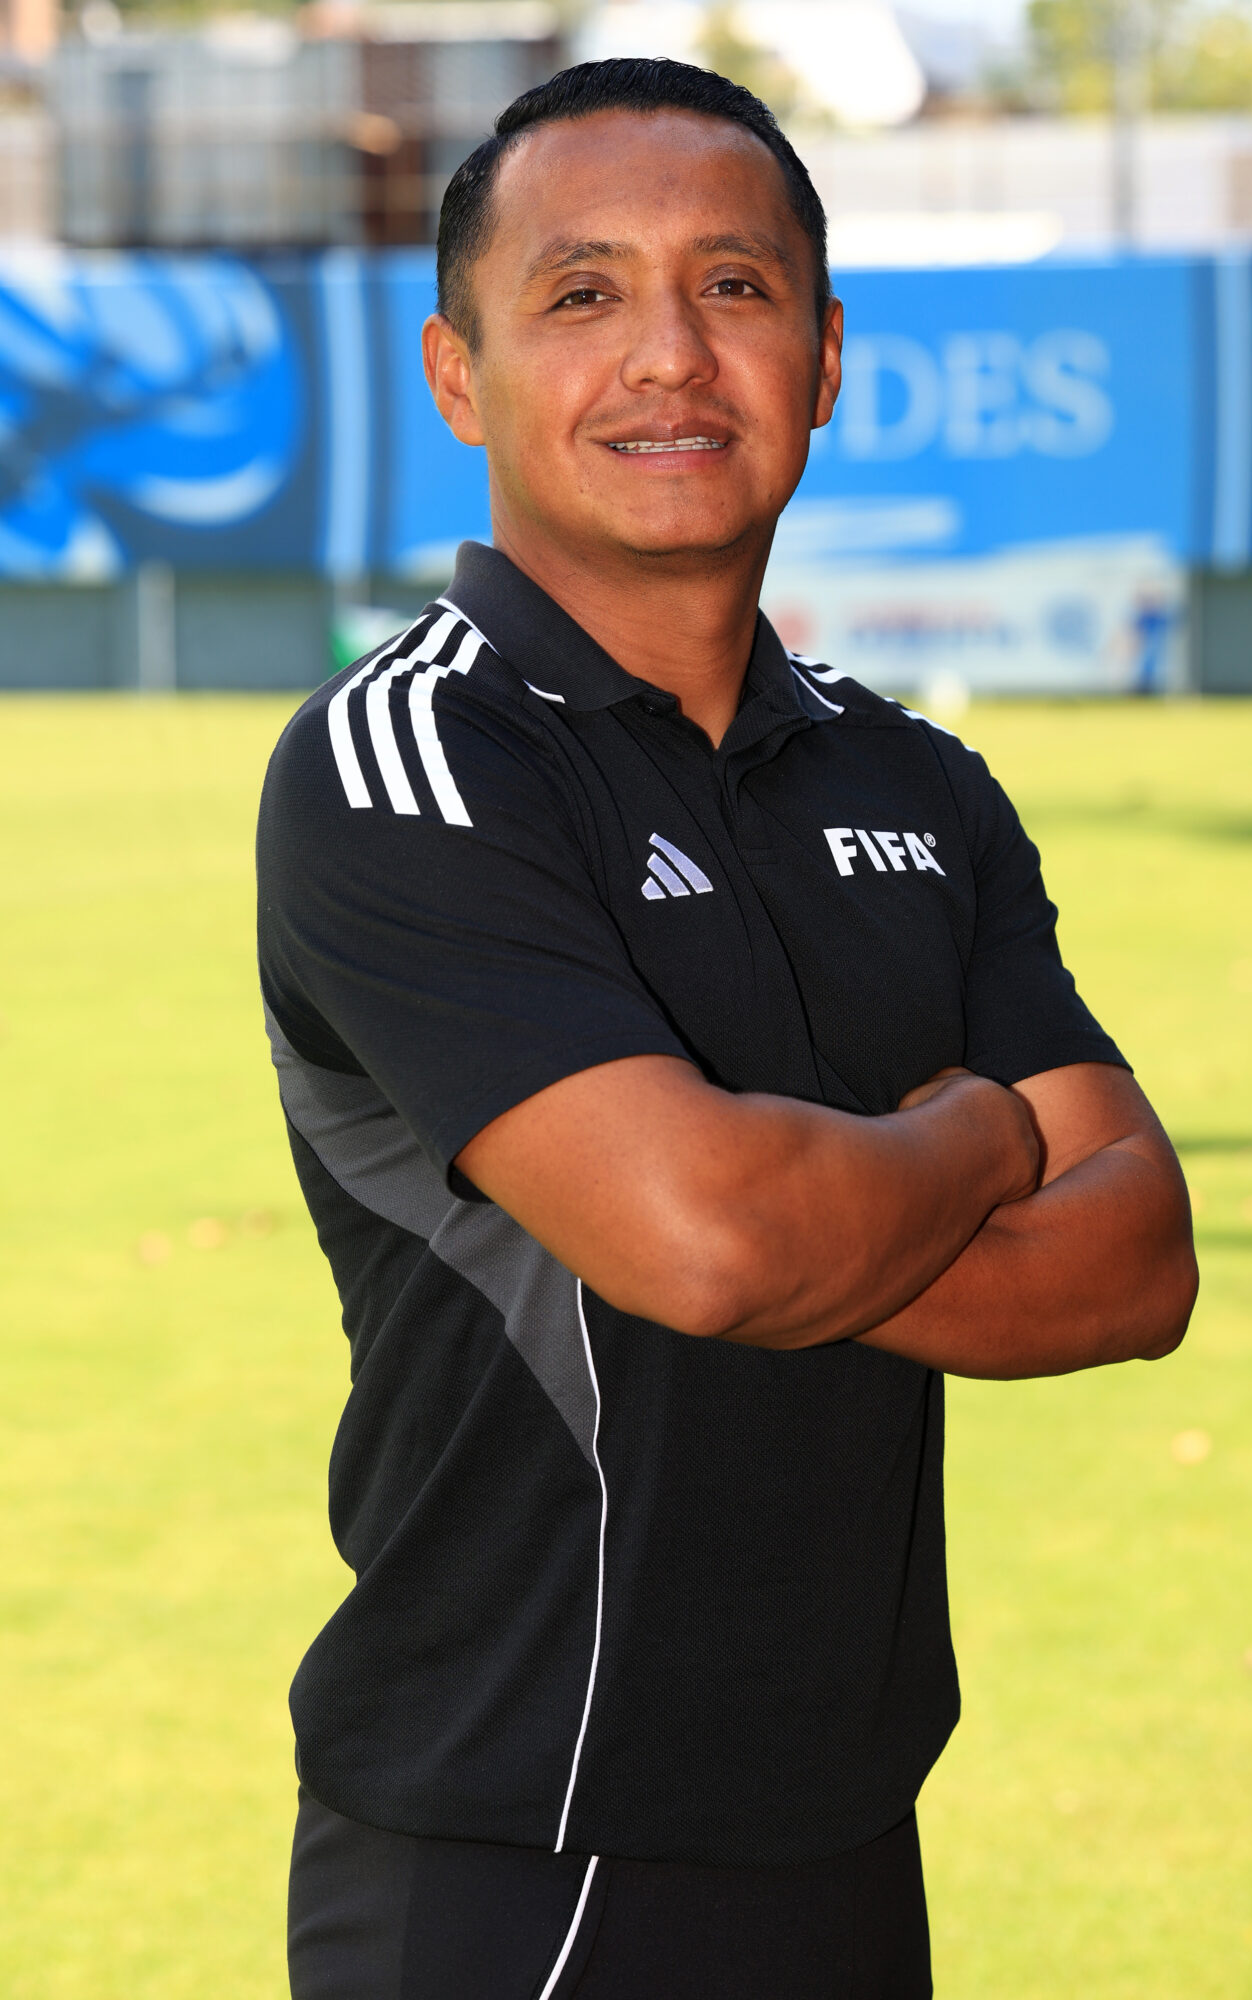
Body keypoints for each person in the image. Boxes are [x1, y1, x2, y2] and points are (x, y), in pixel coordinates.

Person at [257, 58, 1198, 2000]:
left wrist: (789, 1213)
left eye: (736, 287)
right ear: (457, 377)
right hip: (520, 1846)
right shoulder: (403, 763)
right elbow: (709, 1243)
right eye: (582, 292)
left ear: (824, 359)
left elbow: (1136, 1263)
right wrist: (974, 1140)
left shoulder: (914, 784)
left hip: (848, 1832)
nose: (670, 355)